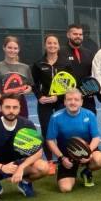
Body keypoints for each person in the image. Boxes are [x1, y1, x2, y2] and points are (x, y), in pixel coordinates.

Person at [46, 89, 101, 192]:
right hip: (67, 156)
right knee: (65, 188)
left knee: (99, 159)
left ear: (81, 102)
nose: (72, 102)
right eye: (69, 99)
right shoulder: (55, 117)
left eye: (76, 99)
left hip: (87, 151)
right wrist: (61, 158)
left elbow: (96, 137)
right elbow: (50, 140)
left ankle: (86, 172)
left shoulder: (89, 115)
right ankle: (71, 170)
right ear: (64, 102)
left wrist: (88, 152)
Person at [31, 34, 71, 175]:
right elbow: (34, 84)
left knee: (61, 130)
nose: (52, 45)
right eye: (49, 43)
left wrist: (58, 96)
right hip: (44, 103)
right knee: (47, 131)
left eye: (55, 43)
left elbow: (69, 84)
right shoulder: (38, 64)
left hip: (60, 101)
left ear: (58, 46)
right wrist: (40, 97)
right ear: (45, 45)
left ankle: (63, 159)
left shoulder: (65, 63)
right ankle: (49, 161)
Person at [0, 36, 33, 118]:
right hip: (3, 103)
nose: (12, 50)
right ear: (4, 48)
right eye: (9, 48)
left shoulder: (25, 67)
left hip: (20, 103)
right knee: (2, 129)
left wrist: (27, 90)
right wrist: (3, 99)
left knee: (22, 129)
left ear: (18, 50)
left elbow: (29, 86)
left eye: (15, 48)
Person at [60, 24, 97, 114]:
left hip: (87, 97)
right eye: (75, 34)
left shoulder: (89, 53)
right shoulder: (60, 52)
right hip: (68, 97)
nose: (78, 37)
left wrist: (92, 90)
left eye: (80, 34)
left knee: (88, 124)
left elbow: (93, 74)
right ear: (68, 35)